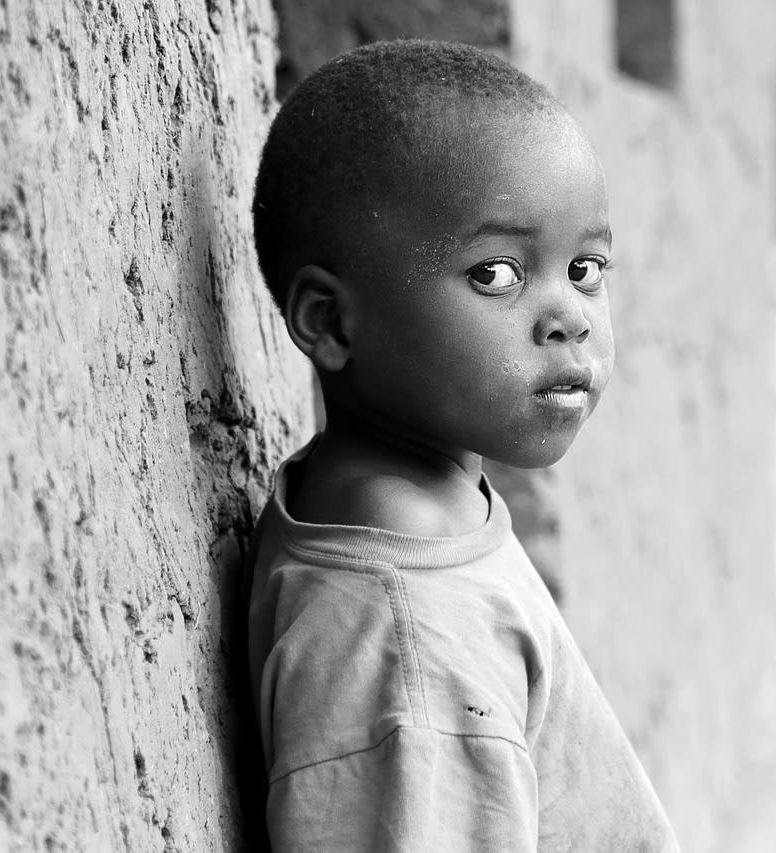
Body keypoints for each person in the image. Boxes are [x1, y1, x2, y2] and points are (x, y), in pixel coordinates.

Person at [244, 39, 679, 851]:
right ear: (332, 322)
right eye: (497, 275)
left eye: (586, 267)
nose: (571, 315)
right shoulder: (405, 637)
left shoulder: (424, 522)